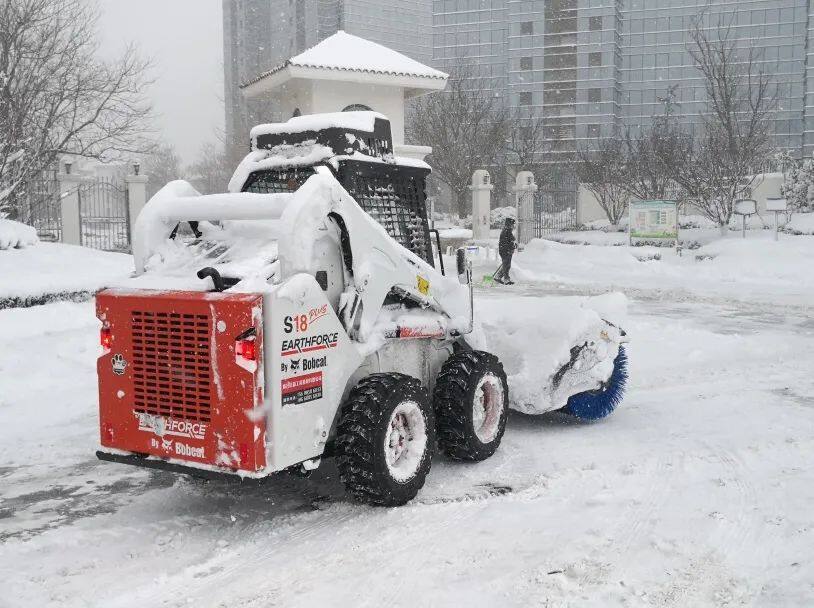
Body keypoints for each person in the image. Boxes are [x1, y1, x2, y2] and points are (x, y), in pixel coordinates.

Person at [494, 217, 517, 285]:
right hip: (505, 251)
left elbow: (510, 241)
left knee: (506, 265)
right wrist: (511, 247)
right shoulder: (506, 231)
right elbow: (506, 242)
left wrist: (514, 245)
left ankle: (498, 276)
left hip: (506, 250)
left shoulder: (507, 230)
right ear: (509, 224)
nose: (513, 226)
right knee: (506, 265)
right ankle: (506, 279)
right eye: (512, 224)